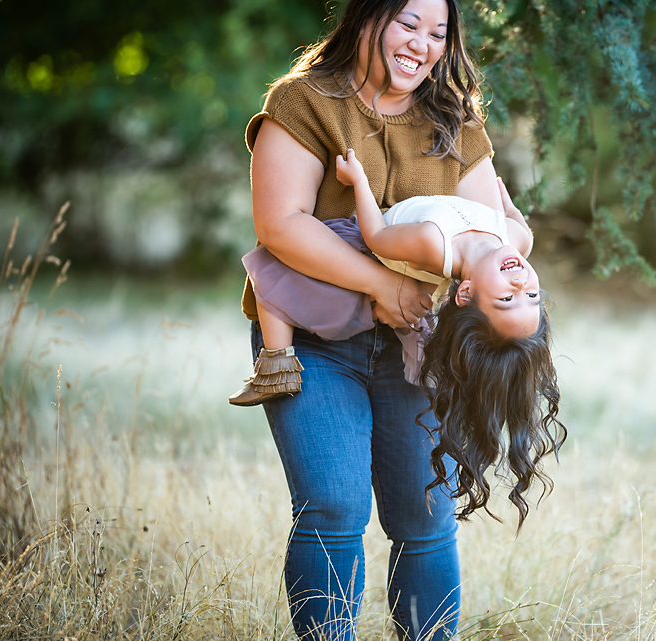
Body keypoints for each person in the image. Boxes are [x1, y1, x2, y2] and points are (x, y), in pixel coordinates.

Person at [234, 0, 559, 639]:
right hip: (318, 339)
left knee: (425, 517)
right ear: (367, 18)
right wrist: (381, 282)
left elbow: (488, 234)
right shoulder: (305, 104)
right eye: (408, 22)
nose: (422, 44)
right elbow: (279, 223)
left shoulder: (453, 121)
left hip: (423, 347)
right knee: (333, 506)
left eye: (438, 32)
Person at [232, 148, 564, 531]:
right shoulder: (517, 242)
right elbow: (519, 225)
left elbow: (375, 236)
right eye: (531, 297)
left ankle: (277, 357)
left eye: (507, 300)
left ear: (466, 293)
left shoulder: (432, 243)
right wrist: (505, 201)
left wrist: (359, 181)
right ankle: (278, 358)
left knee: (284, 281)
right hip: (389, 274)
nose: (522, 284)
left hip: (368, 254)